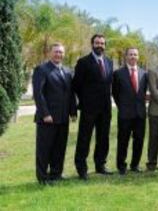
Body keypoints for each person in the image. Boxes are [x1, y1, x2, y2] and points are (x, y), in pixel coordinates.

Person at [32, 43, 77, 184]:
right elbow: (38, 94)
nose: (59, 54)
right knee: (44, 149)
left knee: (59, 147)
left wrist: (73, 111)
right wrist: (45, 113)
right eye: (56, 51)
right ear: (50, 53)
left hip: (63, 117)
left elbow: (70, 93)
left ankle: (56, 173)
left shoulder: (67, 71)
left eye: (61, 52)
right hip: (47, 118)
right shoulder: (42, 69)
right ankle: (42, 177)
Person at [73, 34, 114, 180]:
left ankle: (100, 165)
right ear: (92, 44)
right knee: (84, 138)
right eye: (97, 43)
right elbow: (76, 85)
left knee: (103, 138)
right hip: (89, 108)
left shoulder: (109, 62)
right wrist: (86, 100)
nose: (100, 46)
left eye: (102, 43)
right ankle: (81, 169)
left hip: (105, 108)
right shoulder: (83, 62)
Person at [112, 48, 148, 175]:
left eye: (135, 54)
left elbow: (143, 92)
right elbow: (115, 93)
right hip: (125, 113)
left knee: (139, 140)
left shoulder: (144, 73)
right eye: (130, 54)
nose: (133, 56)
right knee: (123, 140)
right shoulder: (118, 73)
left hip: (140, 113)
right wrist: (122, 106)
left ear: (138, 57)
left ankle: (135, 164)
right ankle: (121, 166)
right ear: (126, 56)